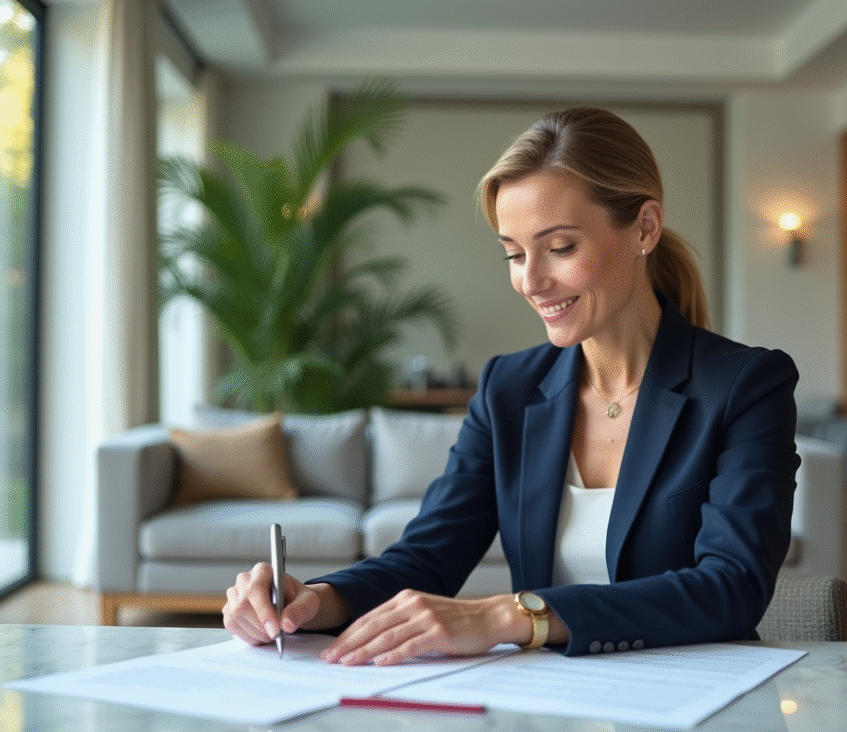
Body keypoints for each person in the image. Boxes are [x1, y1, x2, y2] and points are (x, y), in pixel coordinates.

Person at [222, 106, 800, 665]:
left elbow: (733, 586)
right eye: (514, 253)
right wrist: (315, 602)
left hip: (696, 709)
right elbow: (427, 557)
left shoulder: (744, 385)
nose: (531, 280)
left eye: (561, 248)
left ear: (644, 228)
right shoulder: (509, 388)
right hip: (555, 714)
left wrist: (508, 616)